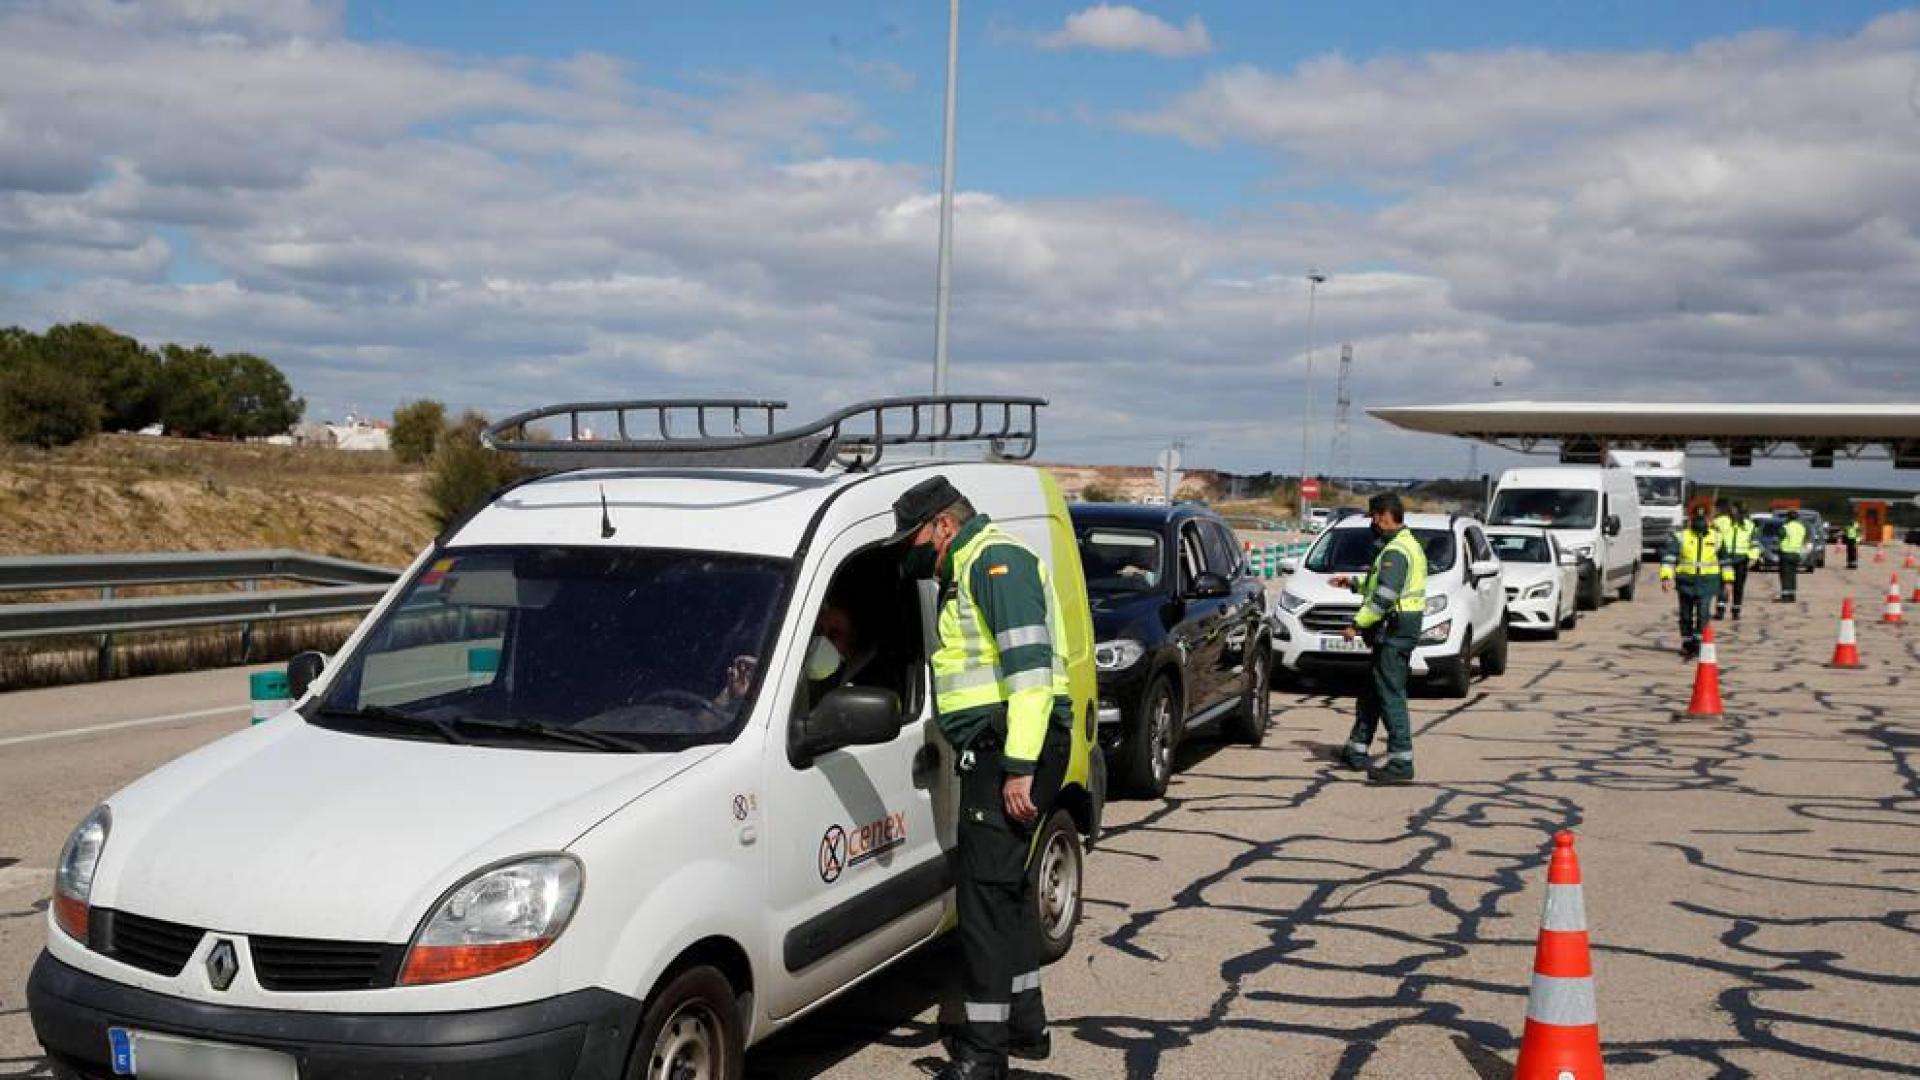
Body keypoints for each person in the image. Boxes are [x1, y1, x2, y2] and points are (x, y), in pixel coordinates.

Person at [891, 475, 1074, 1080]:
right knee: (1007, 890)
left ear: (945, 524)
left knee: (985, 901)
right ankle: (1025, 1025)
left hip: (1010, 749)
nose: (917, 553)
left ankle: (983, 1054)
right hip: (1001, 747)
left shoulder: (995, 564)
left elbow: (1029, 675)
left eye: (919, 539)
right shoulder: (969, 564)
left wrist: (1019, 766)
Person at [1333, 492, 1426, 785]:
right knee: (1374, 689)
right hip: (1400, 626)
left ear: (1384, 517)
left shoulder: (1396, 551)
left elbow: (1385, 596)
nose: (1372, 523)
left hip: (1395, 629)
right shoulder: (1405, 545)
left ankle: (1401, 762)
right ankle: (1357, 749)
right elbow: (1380, 585)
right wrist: (1353, 583)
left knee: (1389, 694)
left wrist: (1356, 625)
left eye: (1374, 517)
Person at [1662, 507, 1731, 658]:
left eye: (1704, 518)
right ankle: (1687, 643)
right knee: (1685, 615)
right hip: (1686, 582)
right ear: (1691, 520)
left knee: (1703, 613)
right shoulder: (1681, 536)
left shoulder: (1717, 537)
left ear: (1709, 520)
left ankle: (1698, 642)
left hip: (1707, 583)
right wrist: (1666, 577)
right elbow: (1669, 557)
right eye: (1697, 518)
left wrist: (1728, 581)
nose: (1700, 521)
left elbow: (1725, 560)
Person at [1716, 502, 1758, 621]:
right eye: (1731, 510)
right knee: (1723, 584)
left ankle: (1736, 610)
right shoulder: (1721, 521)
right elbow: (1713, 536)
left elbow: (1754, 543)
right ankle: (1720, 609)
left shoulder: (1749, 525)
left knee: (1738, 586)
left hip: (1741, 559)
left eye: (1736, 510)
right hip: (1725, 558)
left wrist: (1753, 557)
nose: (1733, 512)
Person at [1777, 510, 1808, 602]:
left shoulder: (1786, 527)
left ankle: (1786, 596)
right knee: (1793, 575)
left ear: (1788, 517)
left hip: (1786, 553)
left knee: (1785, 575)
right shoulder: (1801, 527)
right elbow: (1803, 538)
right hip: (1796, 554)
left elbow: (1780, 535)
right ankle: (1792, 595)